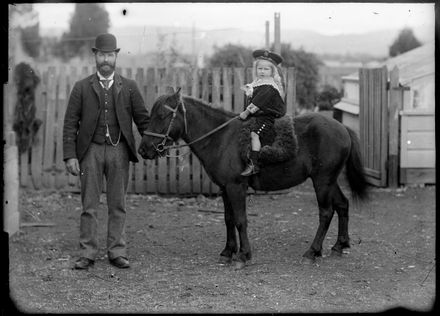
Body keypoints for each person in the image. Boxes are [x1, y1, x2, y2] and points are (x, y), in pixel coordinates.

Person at [63, 33, 150, 269]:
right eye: (101, 54)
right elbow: (70, 123)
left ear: (116, 57)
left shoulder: (129, 87)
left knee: (117, 203)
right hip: (89, 152)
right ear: (95, 56)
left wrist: (155, 142)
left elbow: (143, 120)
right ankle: (87, 253)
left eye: (110, 55)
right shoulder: (81, 87)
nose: (105, 59)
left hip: (119, 151)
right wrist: (70, 155)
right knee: (89, 204)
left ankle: (117, 251)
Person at [239, 49, 286, 176]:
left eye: (266, 69)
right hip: (258, 115)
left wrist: (246, 112)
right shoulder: (258, 83)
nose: (263, 72)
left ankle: (254, 164)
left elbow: (258, 102)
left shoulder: (269, 86)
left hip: (267, 116)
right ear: (256, 70)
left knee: (255, 134)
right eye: (260, 69)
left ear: (272, 71)